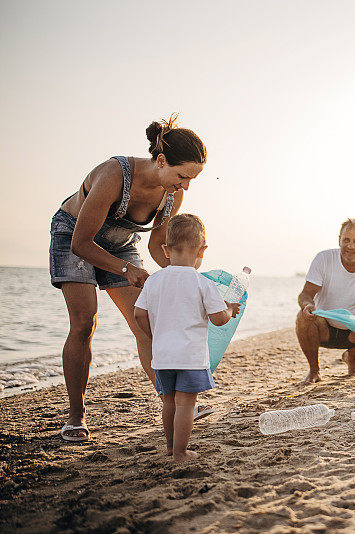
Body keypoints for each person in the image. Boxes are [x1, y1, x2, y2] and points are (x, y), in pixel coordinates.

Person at [50, 114, 206, 441]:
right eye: (182, 176)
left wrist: (185, 274)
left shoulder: (172, 194)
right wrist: (127, 270)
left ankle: (173, 401)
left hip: (122, 245)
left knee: (145, 322)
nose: (186, 185)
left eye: (191, 179)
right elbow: (81, 243)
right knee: (84, 322)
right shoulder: (114, 174)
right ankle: (76, 416)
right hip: (73, 236)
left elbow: (156, 245)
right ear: (161, 161)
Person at [133, 214, 239, 462]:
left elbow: (139, 314)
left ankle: (170, 448)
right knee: (185, 405)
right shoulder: (202, 283)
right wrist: (231, 310)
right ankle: (181, 453)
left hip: (162, 356)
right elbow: (218, 318)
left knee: (168, 403)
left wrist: (154, 335)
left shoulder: (154, 281)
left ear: (166, 249)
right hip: (190, 357)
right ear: (202, 251)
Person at [295, 219, 355, 383]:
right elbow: (305, 294)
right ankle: (314, 371)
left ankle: (350, 356)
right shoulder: (324, 258)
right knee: (302, 318)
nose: (350, 246)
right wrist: (307, 305)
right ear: (339, 239)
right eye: (346, 240)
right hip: (323, 329)